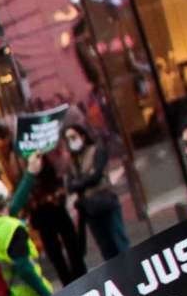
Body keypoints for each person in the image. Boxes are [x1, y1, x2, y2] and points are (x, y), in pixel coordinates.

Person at [61, 117, 130, 261]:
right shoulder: (72, 162)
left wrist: (80, 182)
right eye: (68, 139)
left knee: (119, 241)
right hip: (89, 208)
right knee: (106, 248)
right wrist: (83, 180)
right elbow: (70, 185)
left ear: (83, 136)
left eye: (73, 137)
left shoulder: (96, 151)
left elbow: (96, 176)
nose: (71, 142)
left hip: (105, 201)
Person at [24, 151, 86, 285]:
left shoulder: (51, 173)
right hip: (43, 219)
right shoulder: (29, 179)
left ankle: (80, 274)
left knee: (72, 246)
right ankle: (67, 281)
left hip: (57, 213)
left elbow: (61, 192)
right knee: (55, 253)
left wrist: (49, 198)